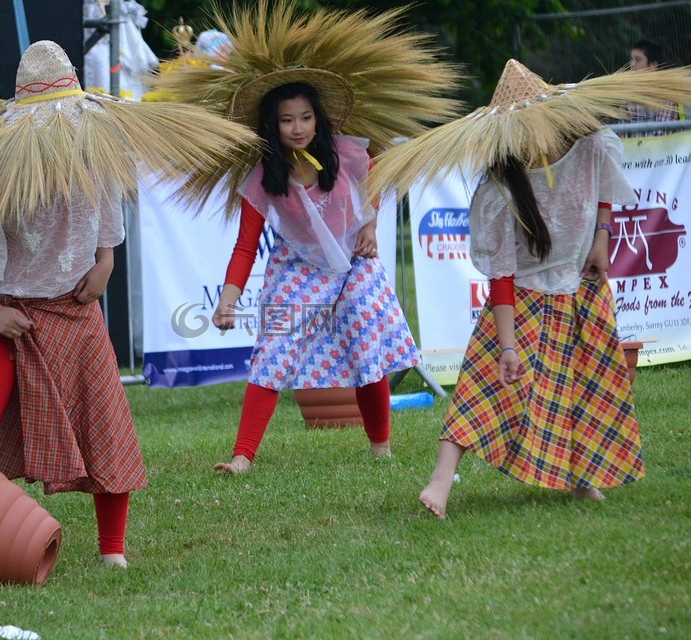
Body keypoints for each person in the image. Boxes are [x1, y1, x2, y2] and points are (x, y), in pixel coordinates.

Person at [0, 41, 258, 579]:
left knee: (106, 427)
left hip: (74, 315)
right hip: (7, 319)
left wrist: (105, 262)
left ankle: (113, 550)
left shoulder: (92, 148)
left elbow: (108, 226)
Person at [367, 59, 691, 519]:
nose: (529, 138)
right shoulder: (501, 190)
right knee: (481, 388)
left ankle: (584, 481)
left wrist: (602, 238)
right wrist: (507, 345)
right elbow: (500, 274)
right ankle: (439, 483)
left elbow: (605, 188)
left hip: (581, 289)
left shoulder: (591, 146)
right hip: (520, 297)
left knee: (586, 384)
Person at [146, 0, 462, 473]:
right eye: (287, 119)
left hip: (354, 261)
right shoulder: (261, 178)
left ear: (319, 119)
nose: (298, 127)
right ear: (272, 126)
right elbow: (245, 246)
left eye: (306, 117)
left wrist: (372, 228)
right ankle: (241, 458)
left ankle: (381, 447)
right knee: (273, 351)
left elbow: (375, 188)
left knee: (363, 336)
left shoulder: (350, 155)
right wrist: (228, 301)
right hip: (299, 267)